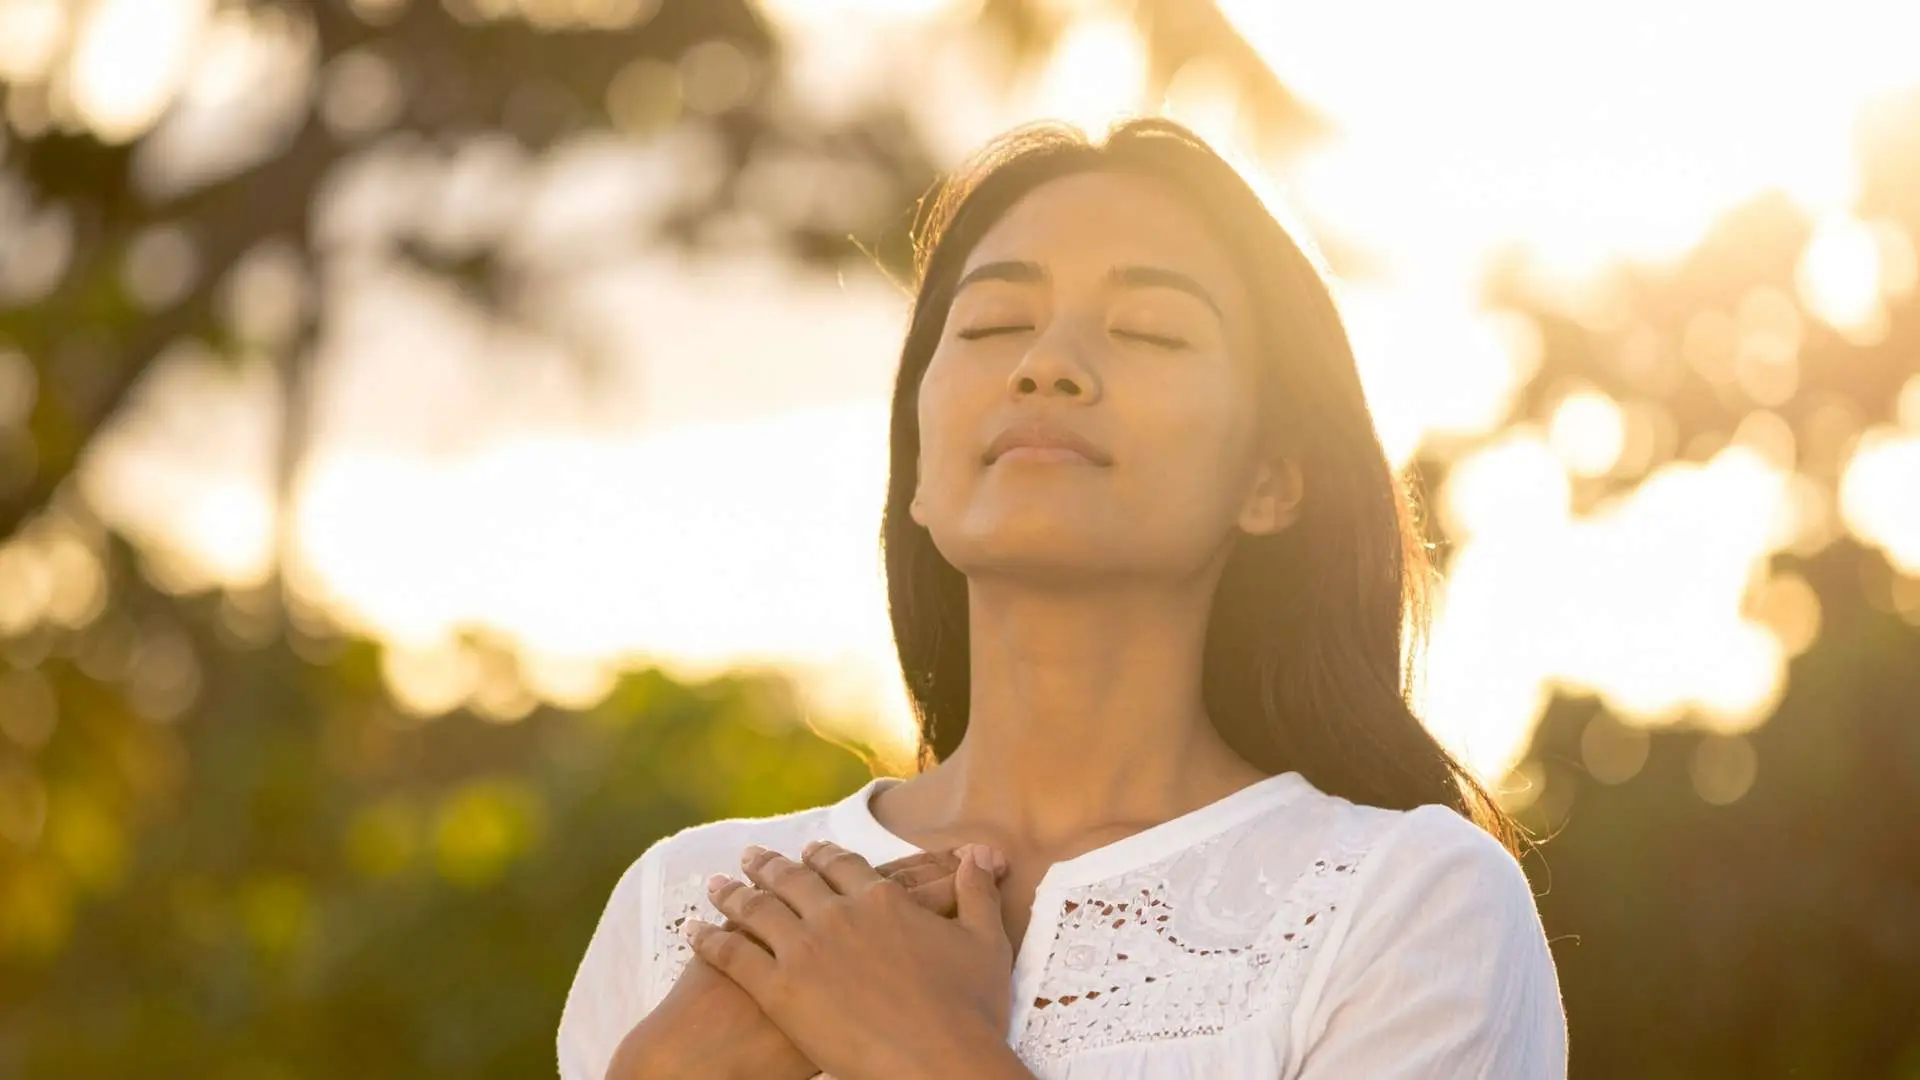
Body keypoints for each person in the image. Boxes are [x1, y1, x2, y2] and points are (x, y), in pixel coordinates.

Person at [558, 116, 1568, 1080]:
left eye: (1152, 331)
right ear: (919, 466)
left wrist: (922, 1050)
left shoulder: (1404, 902)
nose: (1046, 366)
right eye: (994, 323)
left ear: (1272, 479)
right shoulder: (688, 907)